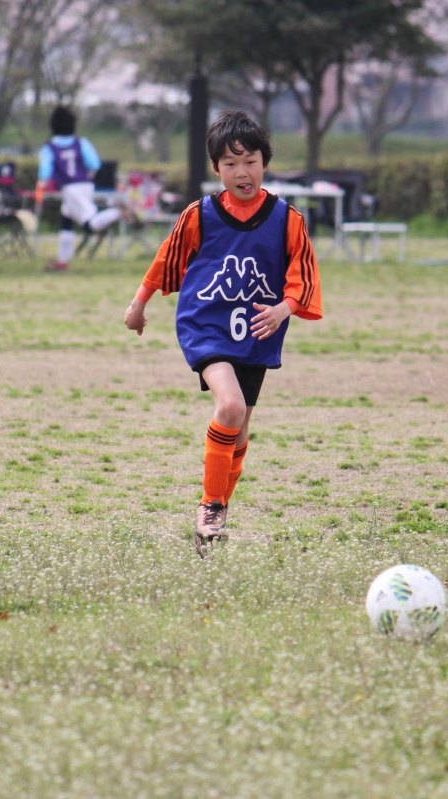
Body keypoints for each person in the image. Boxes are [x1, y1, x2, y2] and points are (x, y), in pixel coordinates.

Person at [123, 110, 323, 557]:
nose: (241, 171)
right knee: (229, 406)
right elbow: (166, 258)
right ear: (217, 169)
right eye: (230, 163)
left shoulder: (287, 219)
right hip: (206, 325)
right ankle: (211, 505)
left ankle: (215, 518)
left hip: (257, 331)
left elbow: (303, 276)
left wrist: (283, 309)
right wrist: (138, 304)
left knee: (241, 429)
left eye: (250, 161)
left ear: (265, 162)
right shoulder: (201, 214)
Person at [34, 106, 122, 272]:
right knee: (66, 220)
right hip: (86, 185)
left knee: (90, 224)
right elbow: (94, 164)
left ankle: (118, 212)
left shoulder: (49, 147)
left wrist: (40, 189)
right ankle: (62, 261)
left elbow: (45, 172)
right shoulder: (81, 142)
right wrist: (86, 177)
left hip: (70, 189)